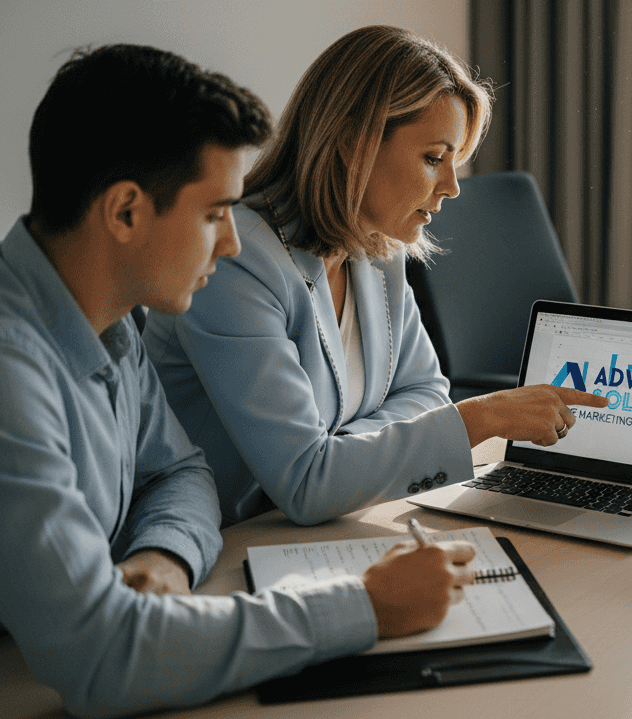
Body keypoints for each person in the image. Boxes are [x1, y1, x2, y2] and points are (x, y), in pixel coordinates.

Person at [0, 43, 474, 719]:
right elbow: (100, 658)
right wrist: (366, 605)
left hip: (16, 661)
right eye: (216, 213)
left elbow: (179, 474)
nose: (232, 243)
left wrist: (165, 555)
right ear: (126, 212)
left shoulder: (109, 322)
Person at [142, 25, 608, 528]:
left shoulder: (376, 249)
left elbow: (427, 392)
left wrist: (340, 458)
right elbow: (306, 483)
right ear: (352, 144)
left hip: (321, 527)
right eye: (434, 158)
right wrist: (481, 417)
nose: (452, 187)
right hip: (216, 545)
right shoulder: (237, 262)